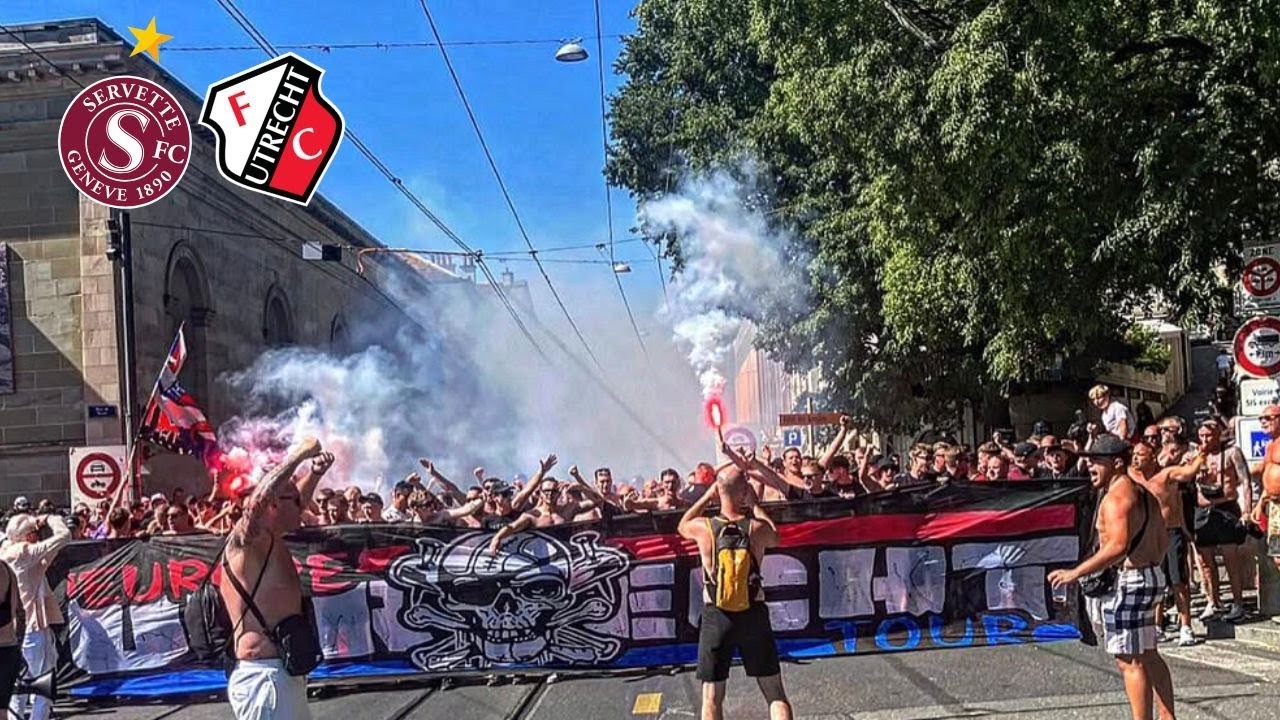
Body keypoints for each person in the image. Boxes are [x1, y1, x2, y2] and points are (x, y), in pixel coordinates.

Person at [1049, 434, 1173, 720]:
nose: (1089, 465)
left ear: (1117, 462)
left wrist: (1075, 573)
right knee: (1148, 653)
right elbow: (1162, 538)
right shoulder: (1144, 493)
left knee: (1128, 660)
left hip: (1131, 580)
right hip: (1152, 575)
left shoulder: (1117, 497)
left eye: (1096, 460)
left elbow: (1117, 546)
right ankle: (1168, 716)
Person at [219, 439, 332, 720]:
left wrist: (314, 472)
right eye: (294, 500)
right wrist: (298, 455)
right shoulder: (246, 542)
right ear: (271, 505)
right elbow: (260, 500)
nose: (303, 505)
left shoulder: (270, 538)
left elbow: (285, 501)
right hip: (264, 679)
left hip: (277, 675)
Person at [678, 467, 791, 720]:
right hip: (753, 612)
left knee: (712, 697)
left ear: (718, 491)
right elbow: (776, 537)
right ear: (744, 491)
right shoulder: (756, 528)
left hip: (717, 614)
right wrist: (756, 505)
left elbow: (682, 524)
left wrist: (708, 496)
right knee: (774, 692)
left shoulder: (704, 528)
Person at [1128, 439, 1206, 646]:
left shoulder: (1167, 475)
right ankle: (1157, 625)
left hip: (1171, 532)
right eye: (1134, 454)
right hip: (1147, 535)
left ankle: (1186, 626)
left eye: (1140, 455)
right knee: (1156, 582)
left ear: (1152, 457)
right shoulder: (1131, 477)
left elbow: (1188, 472)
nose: (1136, 458)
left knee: (1178, 580)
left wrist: (1201, 454)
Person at [2, 511, 70, 720]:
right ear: (28, 535)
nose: (38, 535)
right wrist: (50, 518)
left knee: (19, 687)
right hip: (32, 628)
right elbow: (64, 536)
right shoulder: (23, 553)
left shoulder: (9, 552)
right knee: (42, 686)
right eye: (35, 532)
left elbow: (45, 559)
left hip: (19, 630)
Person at [1192, 419, 1249, 623]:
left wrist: (1247, 511)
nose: (1205, 439)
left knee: (1230, 557)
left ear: (1218, 434)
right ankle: (1213, 601)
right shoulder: (1197, 456)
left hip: (1226, 508)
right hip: (1203, 510)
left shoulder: (1232, 453)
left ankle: (1238, 603)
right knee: (1204, 561)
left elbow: (1245, 481)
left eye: (1209, 435)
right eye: (1202, 436)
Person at [0, 553, 24, 713]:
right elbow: (21, 612)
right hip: (9, 646)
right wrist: (18, 641)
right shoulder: (8, 570)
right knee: (2, 709)